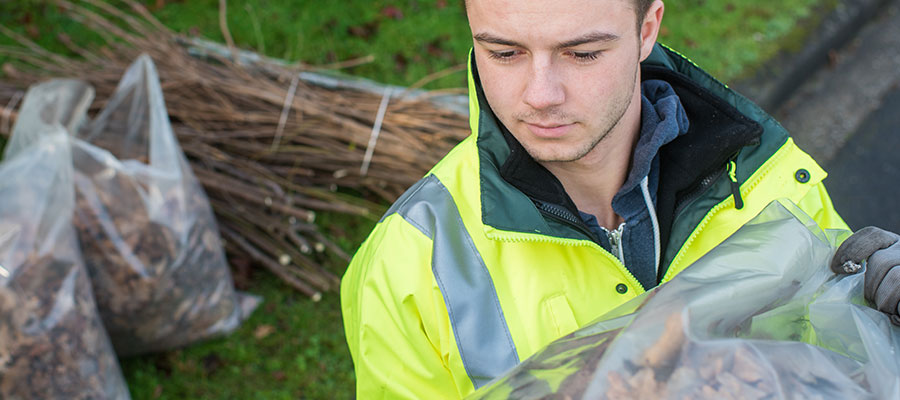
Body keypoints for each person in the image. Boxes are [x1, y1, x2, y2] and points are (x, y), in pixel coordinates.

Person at [340, 0, 900, 398]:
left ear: (646, 29)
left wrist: (882, 329)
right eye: (504, 53)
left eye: (581, 53)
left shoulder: (770, 179)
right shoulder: (411, 263)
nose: (540, 95)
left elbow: (839, 364)